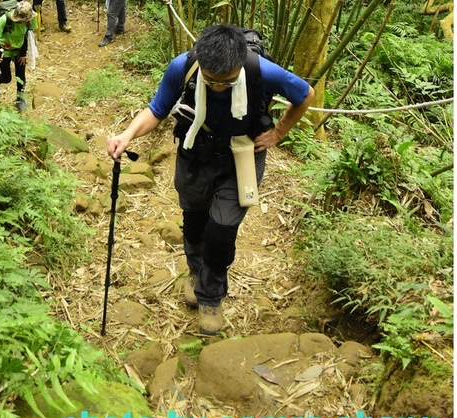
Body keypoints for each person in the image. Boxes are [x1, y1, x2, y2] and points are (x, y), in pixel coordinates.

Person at [106, 24, 314, 336]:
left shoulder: (262, 70)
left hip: (240, 159)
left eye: (227, 82)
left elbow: (305, 94)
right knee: (194, 220)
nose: (217, 87)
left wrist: (280, 131)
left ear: (238, 67)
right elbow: (157, 109)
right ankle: (195, 271)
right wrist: (126, 135)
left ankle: (211, 295)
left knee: (223, 228)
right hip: (195, 153)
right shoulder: (183, 67)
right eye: (211, 81)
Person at [0, 0, 38, 111]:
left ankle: (20, 99)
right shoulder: (5, 19)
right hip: (4, 50)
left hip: (19, 50)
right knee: (7, 78)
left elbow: (27, 34)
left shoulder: (30, 18)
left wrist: (23, 53)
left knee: (21, 76)